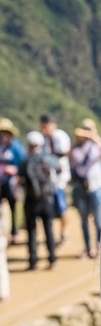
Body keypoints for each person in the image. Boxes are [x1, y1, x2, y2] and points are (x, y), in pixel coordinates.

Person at [20, 131, 58, 270]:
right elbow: (58, 169)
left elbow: (20, 178)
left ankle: (33, 261)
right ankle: (52, 259)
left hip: (30, 200)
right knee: (48, 228)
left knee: (31, 231)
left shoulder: (25, 161)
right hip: (46, 199)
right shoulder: (48, 159)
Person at [70, 127, 101, 258]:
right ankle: (88, 247)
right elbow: (71, 158)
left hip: (96, 186)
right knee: (84, 219)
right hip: (81, 187)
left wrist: (94, 138)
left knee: (98, 219)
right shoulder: (75, 150)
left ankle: (100, 246)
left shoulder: (94, 147)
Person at [40, 114, 71, 246]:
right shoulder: (45, 139)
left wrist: (51, 159)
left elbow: (64, 152)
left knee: (62, 206)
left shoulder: (59, 136)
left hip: (60, 179)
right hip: (50, 178)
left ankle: (64, 233)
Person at [0, 119, 25, 245]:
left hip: (12, 183)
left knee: (14, 207)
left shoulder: (16, 147)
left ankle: (15, 232)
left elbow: (23, 164)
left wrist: (16, 172)